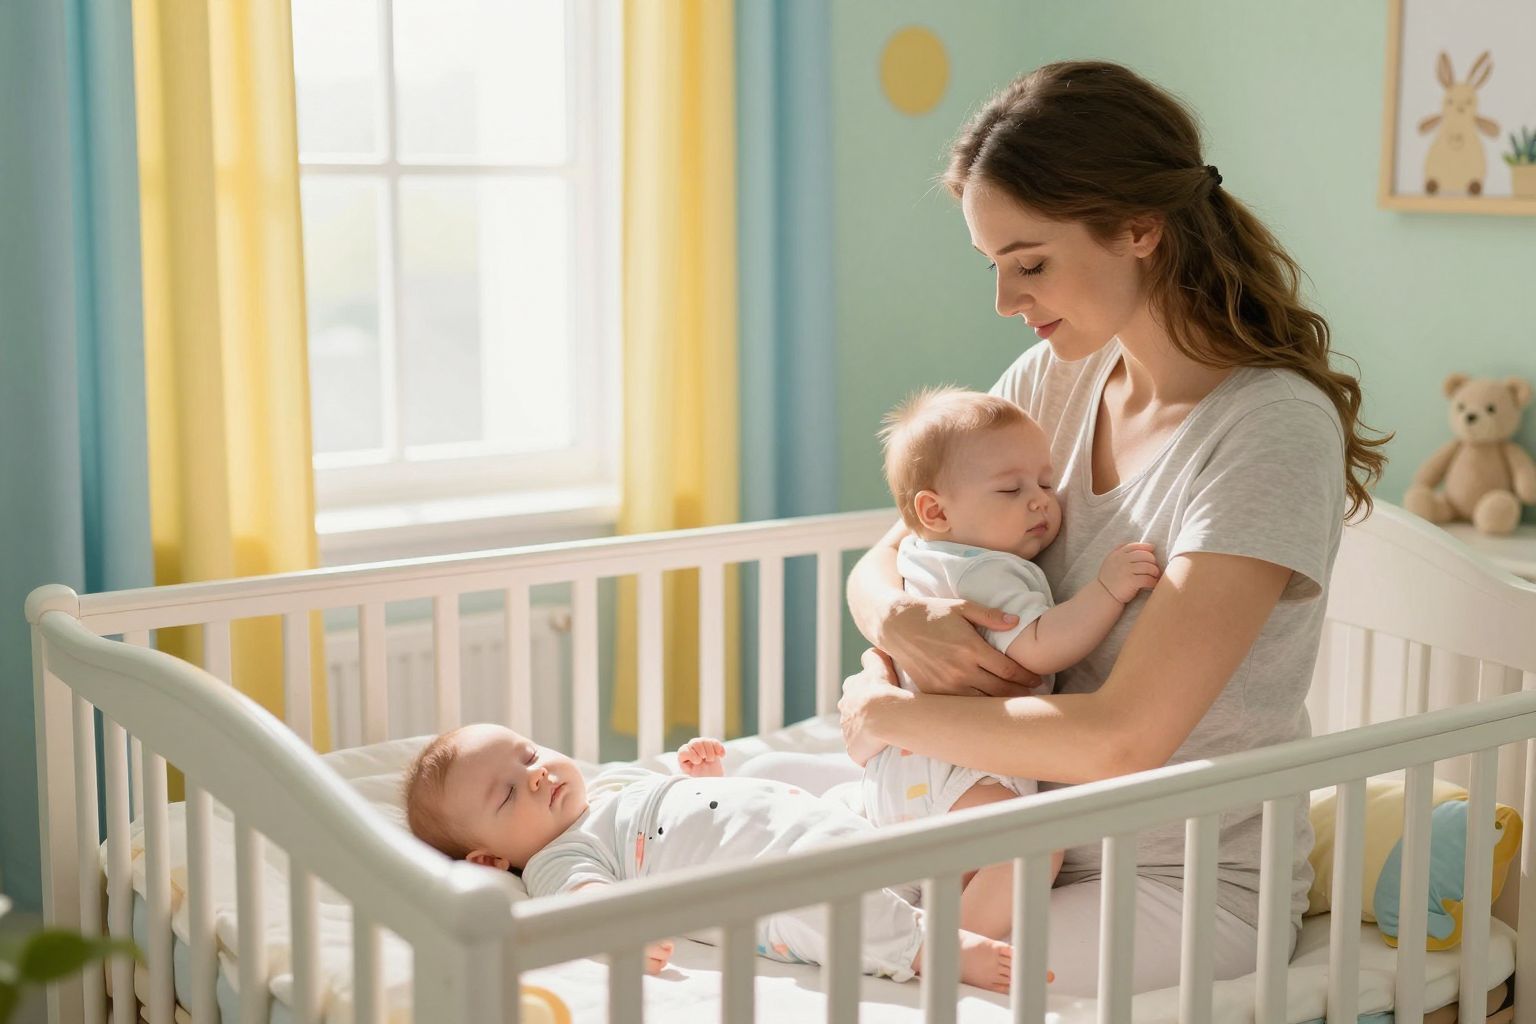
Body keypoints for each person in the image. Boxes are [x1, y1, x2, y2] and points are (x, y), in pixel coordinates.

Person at [836, 60, 1387, 995]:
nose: (1007, 303)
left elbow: (1125, 739)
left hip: (1176, 876)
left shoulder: (1270, 430)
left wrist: (891, 714)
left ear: (1140, 229)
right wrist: (894, 616)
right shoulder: (1056, 378)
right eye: (995, 266)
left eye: (1031, 262)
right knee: (746, 887)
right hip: (1008, 824)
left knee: (894, 982)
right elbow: (896, 551)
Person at [403, 724, 1015, 991]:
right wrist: (619, 932)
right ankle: (931, 948)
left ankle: (969, 866)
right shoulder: (555, 859)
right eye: (509, 792)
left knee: (850, 798)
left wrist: (712, 777)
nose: (536, 777)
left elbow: (700, 816)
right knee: (823, 904)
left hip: (820, 821)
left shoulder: (612, 782)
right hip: (775, 880)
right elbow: (583, 907)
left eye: (529, 755)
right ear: (487, 860)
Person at [864, 385, 1158, 938]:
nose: (1041, 501)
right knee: (1031, 850)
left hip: (904, 773)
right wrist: (1107, 590)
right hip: (962, 768)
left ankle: (909, 929)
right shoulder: (987, 572)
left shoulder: (921, 556)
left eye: (1046, 483)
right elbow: (1041, 645)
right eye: (1010, 489)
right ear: (934, 510)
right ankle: (943, 953)